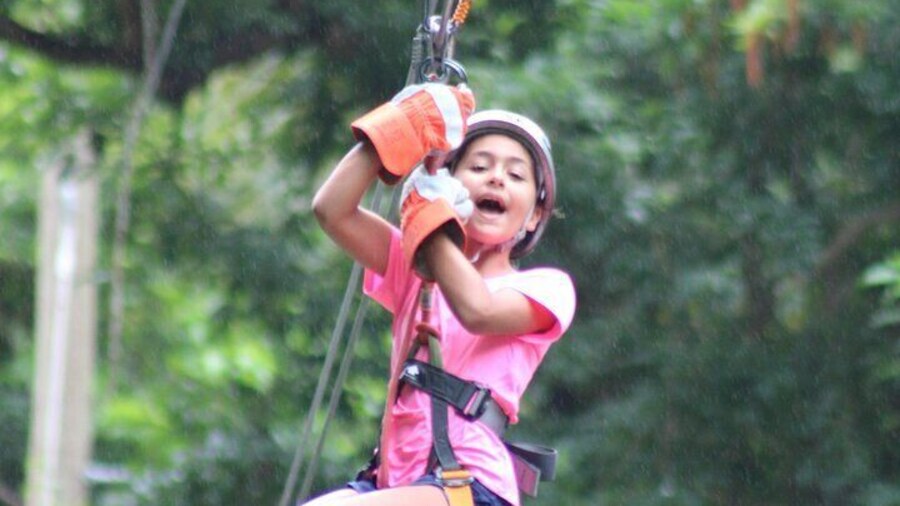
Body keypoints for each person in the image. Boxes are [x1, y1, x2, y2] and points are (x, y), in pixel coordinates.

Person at [307, 82, 576, 506]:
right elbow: (331, 209)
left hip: (468, 484)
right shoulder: (414, 268)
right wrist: (396, 132)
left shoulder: (547, 288)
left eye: (516, 174)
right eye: (480, 166)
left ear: (533, 217)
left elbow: (478, 310)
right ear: (452, 186)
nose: (496, 178)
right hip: (394, 484)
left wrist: (427, 219)